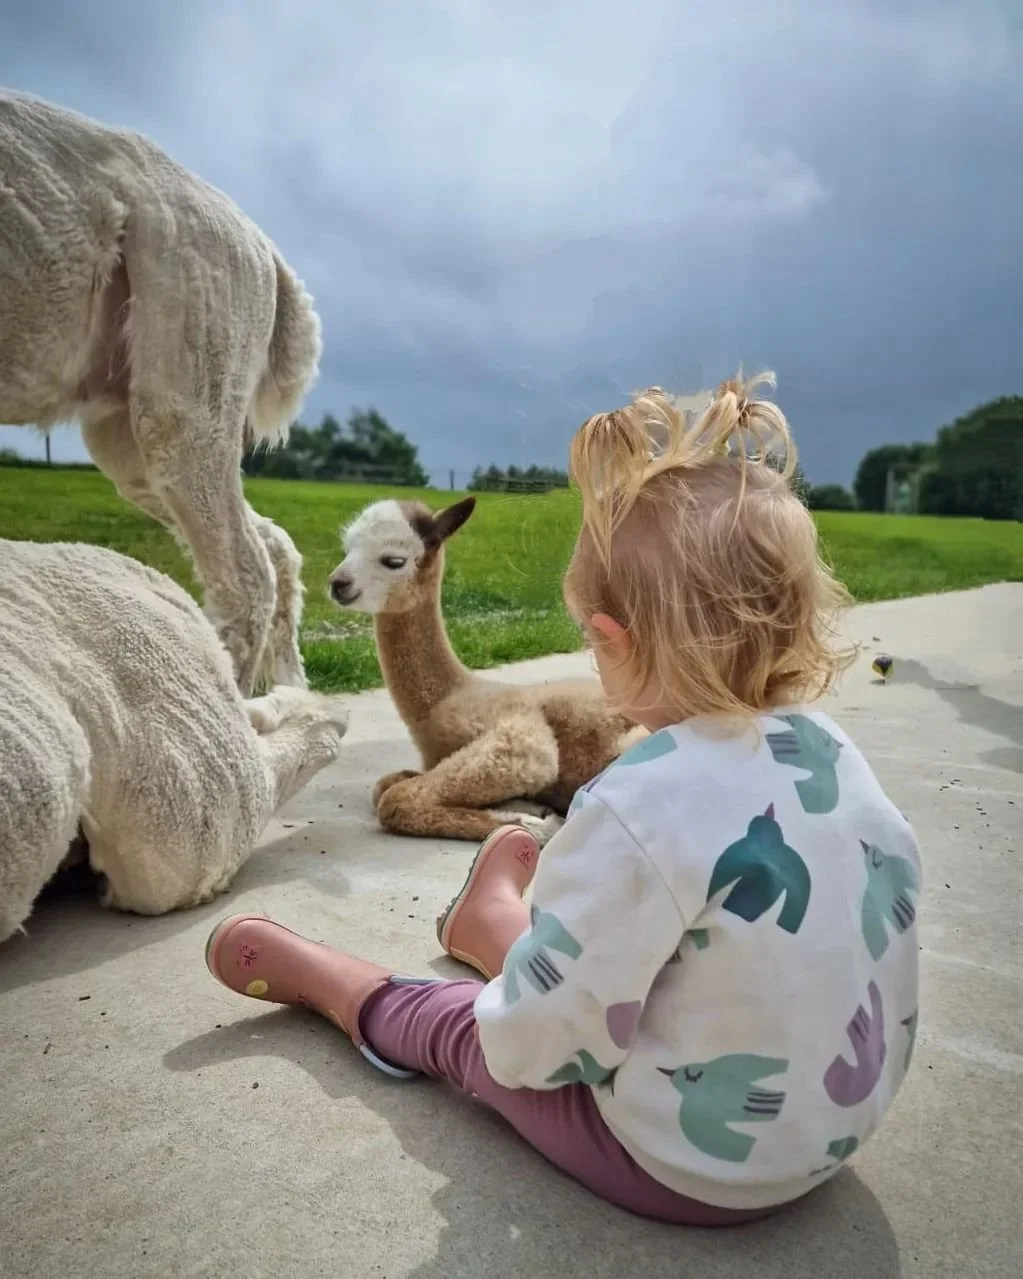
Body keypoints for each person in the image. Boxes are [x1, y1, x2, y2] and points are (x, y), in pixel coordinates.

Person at [204, 372, 921, 1225]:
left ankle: (343, 987)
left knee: (462, 1027)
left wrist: (489, 1022)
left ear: (612, 639)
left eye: (589, 637)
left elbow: (534, 1048)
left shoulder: (636, 805)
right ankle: (491, 926)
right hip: (832, 1130)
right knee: (618, 952)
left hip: (685, 1162)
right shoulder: (837, 757)